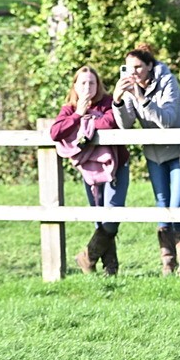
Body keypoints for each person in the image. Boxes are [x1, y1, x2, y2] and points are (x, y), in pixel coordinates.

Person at [112, 44, 180, 276]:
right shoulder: (129, 86)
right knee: (162, 207)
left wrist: (141, 97)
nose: (134, 72)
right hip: (155, 154)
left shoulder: (168, 81)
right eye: (129, 68)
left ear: (150, 66)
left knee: (177, 207)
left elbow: (166, 121)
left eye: (138, 67)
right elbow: (125, 124)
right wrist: (118, 101)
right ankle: (167, 265)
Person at [50, 66, 128, 275]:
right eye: (83, 83)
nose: (87, 87)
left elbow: (110, 122)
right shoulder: (70, 108)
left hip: (116, 167)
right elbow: (56, 132)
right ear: (75, 86)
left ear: (98, 84)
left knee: (112, 218)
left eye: (91, 82)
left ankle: (86, 257)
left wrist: (84, 122)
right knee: (99, 220)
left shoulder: (108, 102)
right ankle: (110, 269)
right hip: (90, 171)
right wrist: (78, 115)